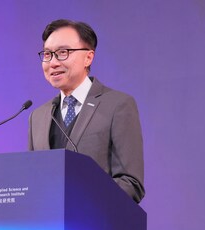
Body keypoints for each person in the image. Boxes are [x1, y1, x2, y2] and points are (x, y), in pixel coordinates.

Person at [28, 19, 145, 203]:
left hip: (97, 219)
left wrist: (83, 199)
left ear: (88, 57)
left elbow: (131, 183)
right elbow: (32, 181)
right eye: (48, 54)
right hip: (49, 221)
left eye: (63, 53)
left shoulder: (118, 105)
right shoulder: (38, 116)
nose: (53, 62)